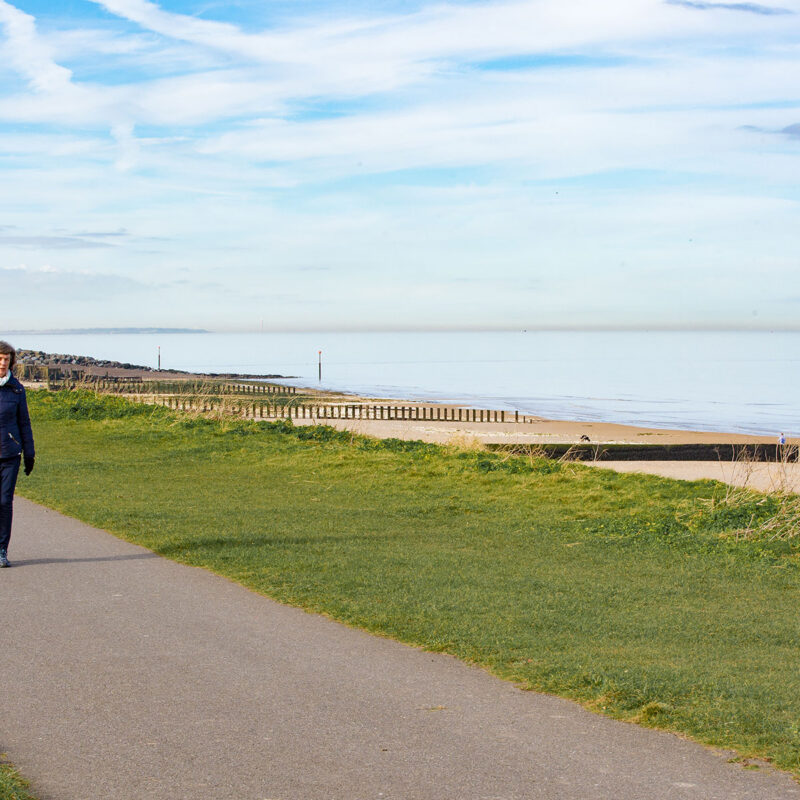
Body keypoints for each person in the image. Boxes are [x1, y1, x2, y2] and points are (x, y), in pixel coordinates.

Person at [0, 341, 35, 568]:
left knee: (4, 502)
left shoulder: (17, 389)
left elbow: (24, 422)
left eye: (6, 359)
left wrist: (30, 453)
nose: (3, 363)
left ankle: (2, 549)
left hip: (10, 454)